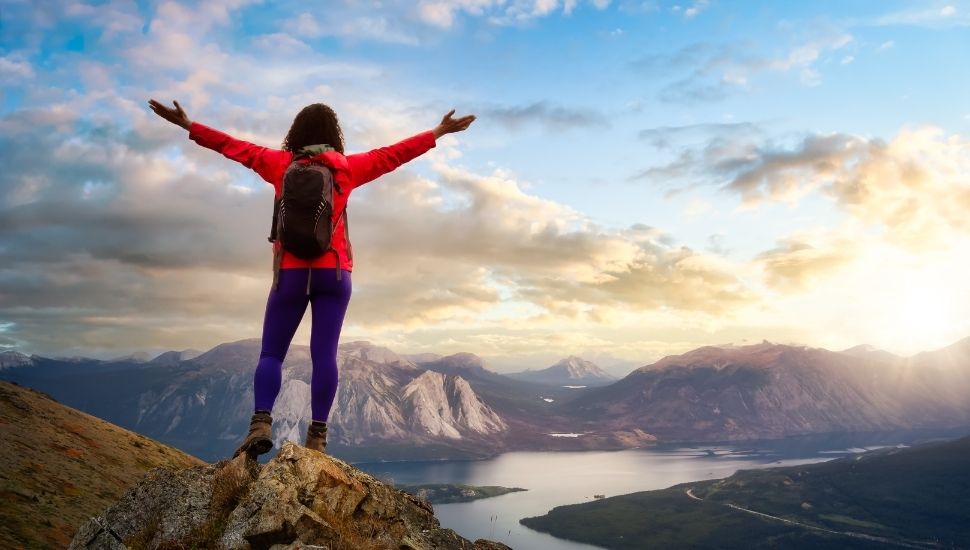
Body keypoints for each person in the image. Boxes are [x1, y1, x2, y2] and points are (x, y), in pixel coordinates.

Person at [148, 98, 475, 458]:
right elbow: (394, 154)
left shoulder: (278, 164)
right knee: (325, 356)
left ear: (296, 133)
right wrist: (438, 132)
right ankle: (317, 437)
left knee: (272, 353)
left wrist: (188, 125)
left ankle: (260, 423)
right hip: (333, 274)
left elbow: (232, 146)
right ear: (334, 135)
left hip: (289, 273)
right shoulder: (347, 169)